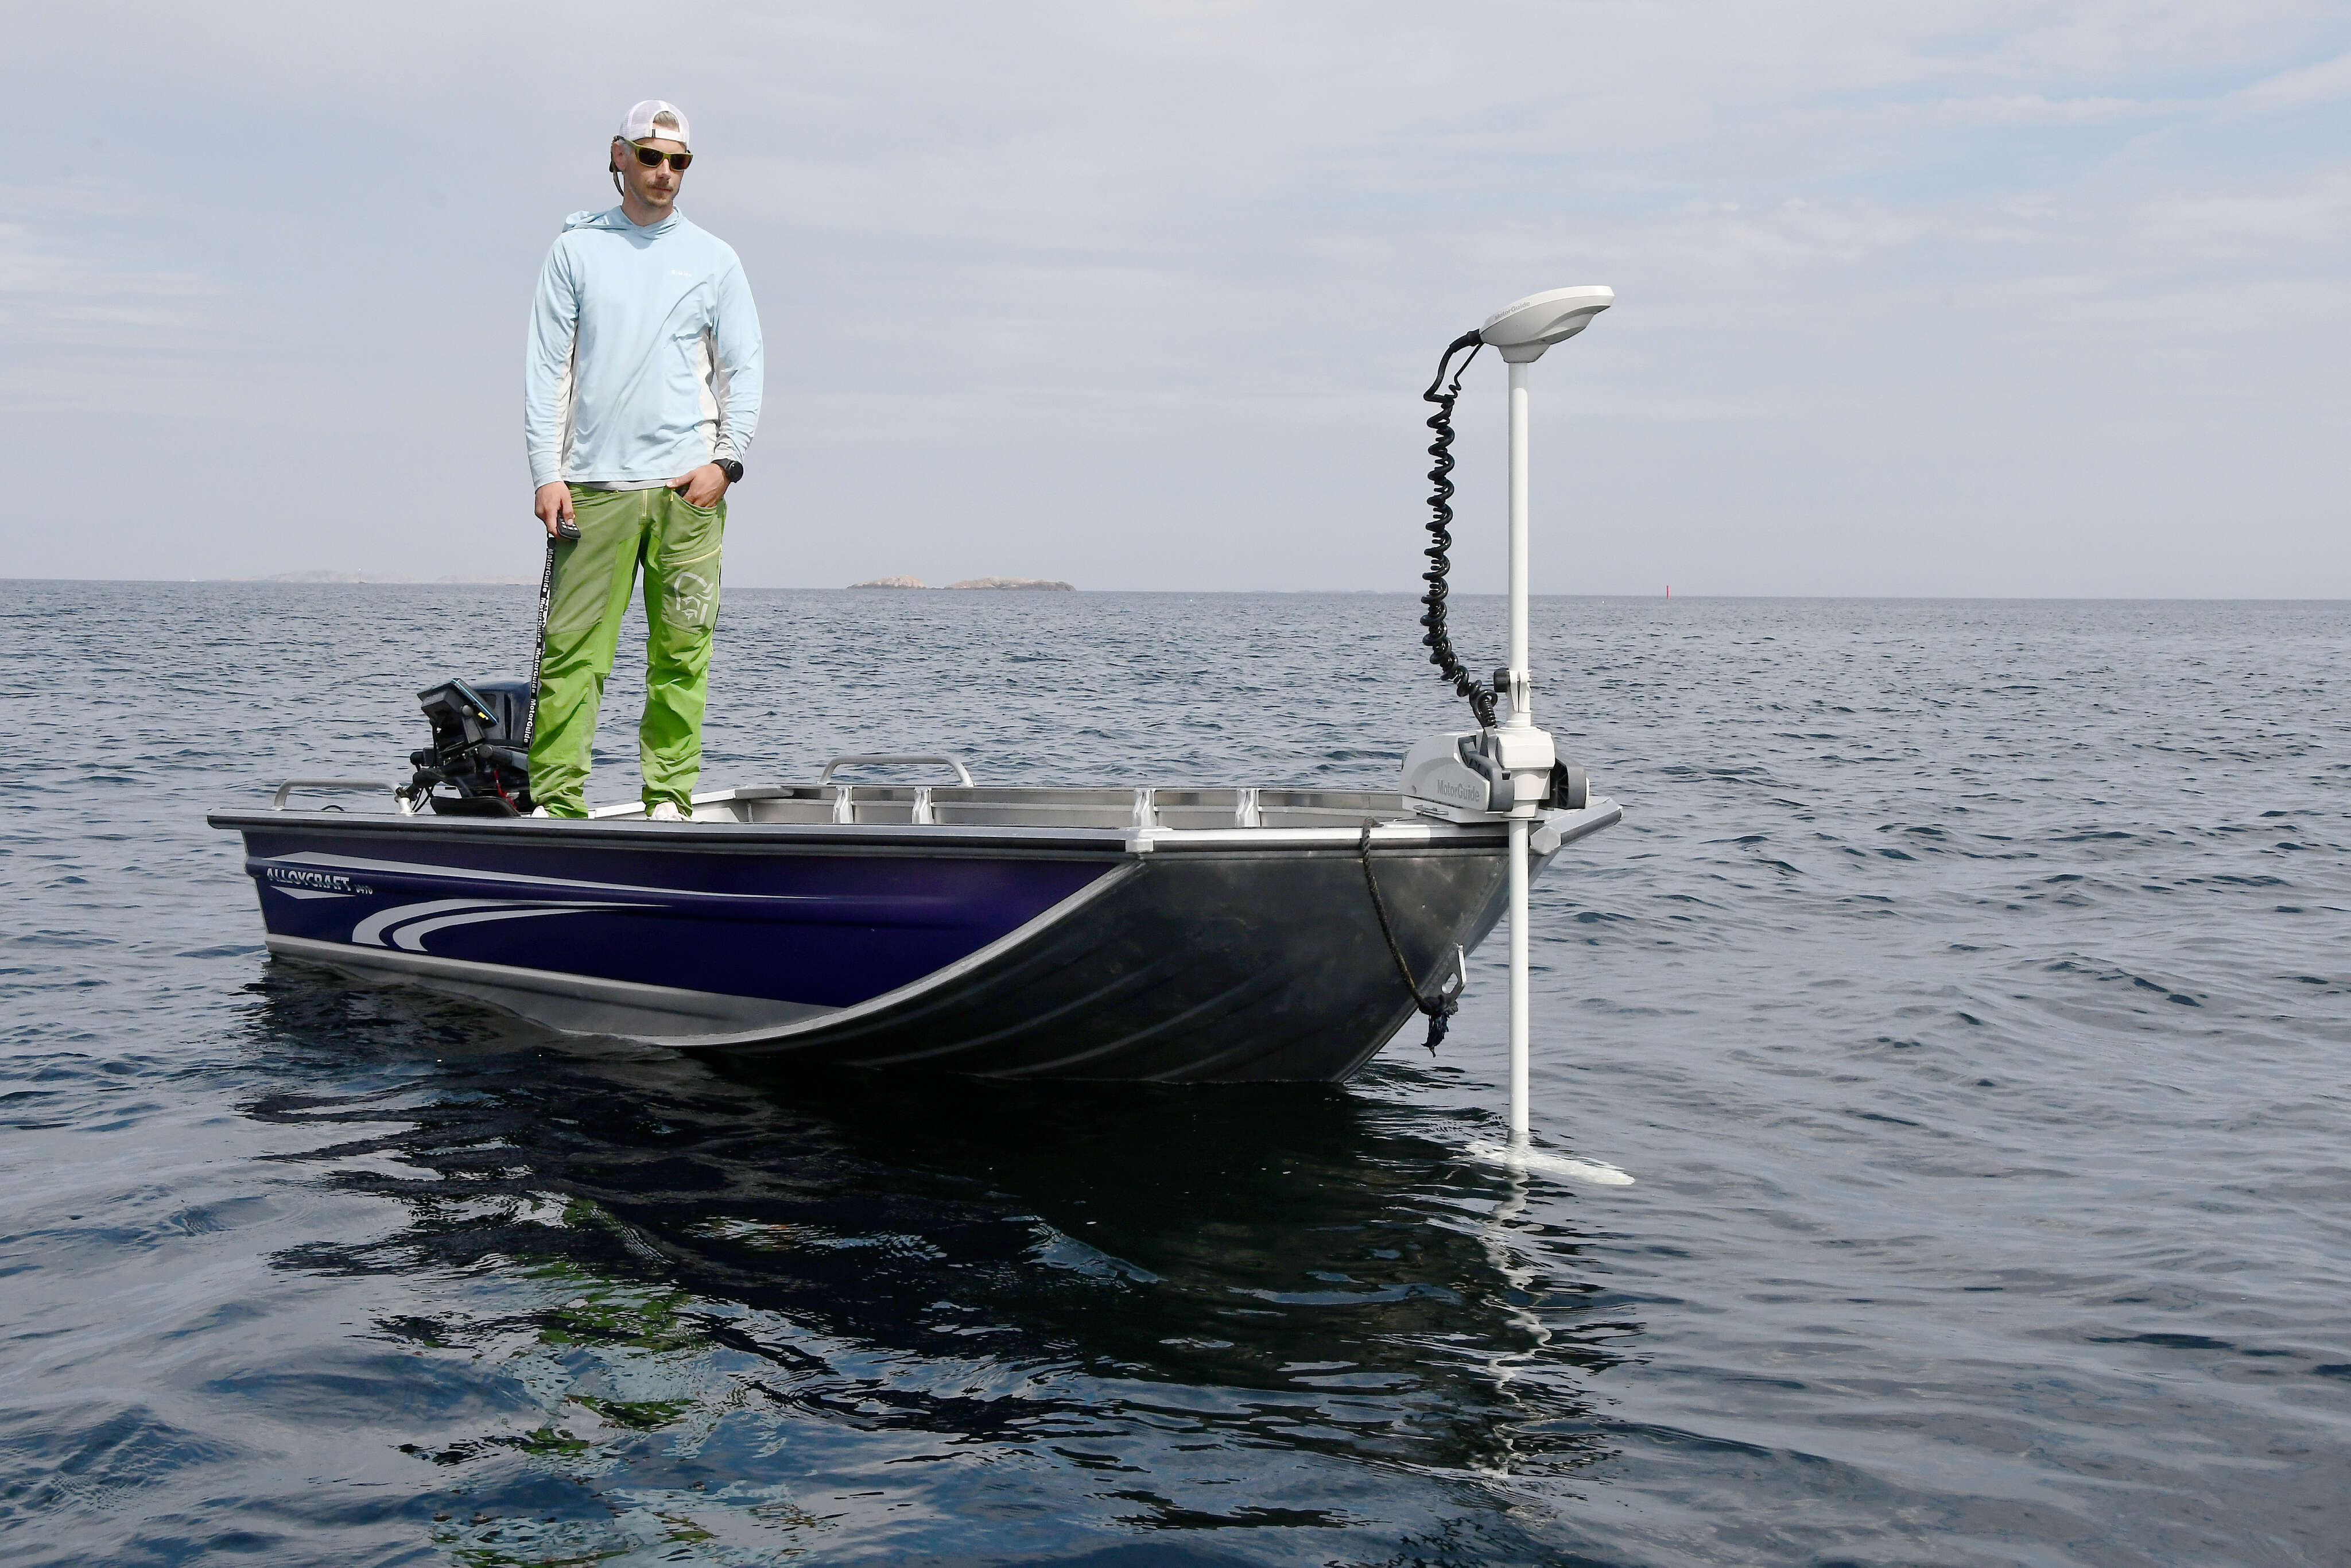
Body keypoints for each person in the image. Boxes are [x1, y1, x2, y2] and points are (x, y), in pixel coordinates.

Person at [522, 99, 763, 820]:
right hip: (593, 489)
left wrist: (726, 462)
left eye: (678, 161)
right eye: (651, 156)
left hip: (688, 492)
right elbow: (547, 369)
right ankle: (556, 803)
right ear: (619, 154)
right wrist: (546, 471)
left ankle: (669, 800)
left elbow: (744, 367)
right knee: (573, 654)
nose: (664, 172)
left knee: (682, 654)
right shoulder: (575, 251)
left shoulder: (716, 260)